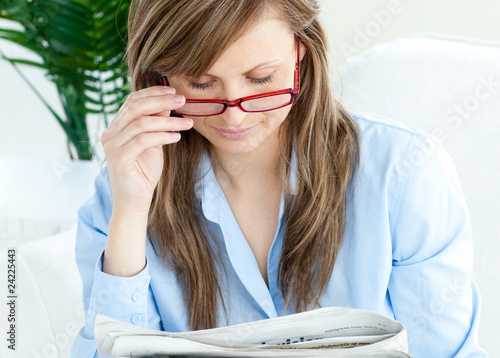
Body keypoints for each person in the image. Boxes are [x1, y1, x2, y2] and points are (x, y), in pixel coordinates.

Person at [70, 0, 488, 357]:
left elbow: (446, 351)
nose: (234, 115)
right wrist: (130, 212)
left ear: (300, 52)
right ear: (159, 77)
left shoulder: (404, 174)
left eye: (260, 79)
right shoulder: (123, 192)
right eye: (201, 83)